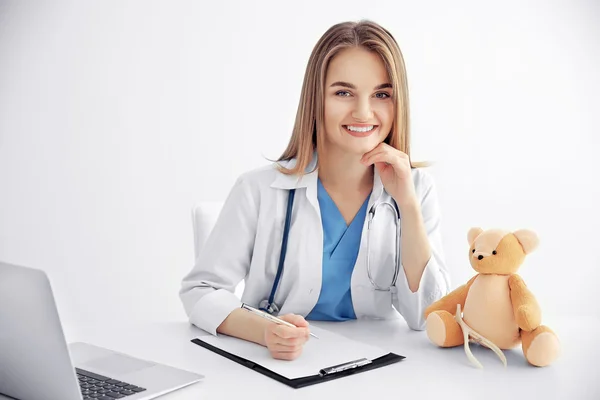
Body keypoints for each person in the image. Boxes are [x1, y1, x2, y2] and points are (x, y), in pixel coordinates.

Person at [180, 20, 451, 361]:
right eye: (343, 92)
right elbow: (200, 291)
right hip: (280, 368)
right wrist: (265, 331)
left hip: (379, 370)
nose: (364, 112)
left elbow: (427, 315)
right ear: (316, 99)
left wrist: (407, 204)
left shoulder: (417, 190)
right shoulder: (258, 189)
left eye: (382, 94)